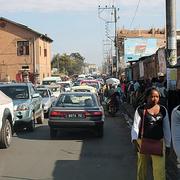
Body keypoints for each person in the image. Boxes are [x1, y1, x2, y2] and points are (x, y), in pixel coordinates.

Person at [131, 87, 171, 180]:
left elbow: (166, 129)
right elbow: (135, 126)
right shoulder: (140, 109)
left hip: (158, 143)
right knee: (142, 167)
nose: (155, 99)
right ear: (147, 97)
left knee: (159, 170)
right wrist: (134, 140)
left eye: (157, 96)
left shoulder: (163, 110)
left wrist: (168, 145)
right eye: (152, 96)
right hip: (142, 142)